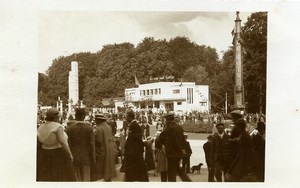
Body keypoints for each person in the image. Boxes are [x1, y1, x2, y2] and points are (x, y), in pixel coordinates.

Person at [37, 108, 76, 181]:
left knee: (49, 176)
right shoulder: (57, 126)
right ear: (55, 117)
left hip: (44, 154)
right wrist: (70, 154)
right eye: (58, 117)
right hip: (57, 154)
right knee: (60, 176)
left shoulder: (40, 127)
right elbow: (63, 142)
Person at [65, 108, 95, 181]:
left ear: (75, 116)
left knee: (76, 179)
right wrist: (93, 158)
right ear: (84, 116)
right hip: (86, 157)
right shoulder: (89, 129)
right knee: (86, 179)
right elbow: (92, 145)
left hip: (74, 157)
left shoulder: (69, 129)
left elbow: (68, 144)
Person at [163, 112, 191, 182]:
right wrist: (183, 150)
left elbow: (173, 142)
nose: (165, 122)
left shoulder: (169, 129)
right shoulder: (179, 127)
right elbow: (183, 141)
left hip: (172, 154)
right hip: (178, 154)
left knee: (171, 173)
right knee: (178, 169)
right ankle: (188, 182)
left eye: (166, 120)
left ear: (168, 120)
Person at [124, 110, 149, 181]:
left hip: (134, 153)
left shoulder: (135, 125)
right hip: (134, 153)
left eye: (126, 116)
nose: (125, 117)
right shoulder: (132, 124)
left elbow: (136, 138)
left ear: (130, 117)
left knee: (138, 171)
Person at [91, 114, 116, 181]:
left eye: (96, 120)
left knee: (101, 170)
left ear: (98, 120)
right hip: (110, 149)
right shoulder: (108, 127)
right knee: (108, 169)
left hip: (103, 150)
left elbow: (99, 141)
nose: (95, 122)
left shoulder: (99, 128)